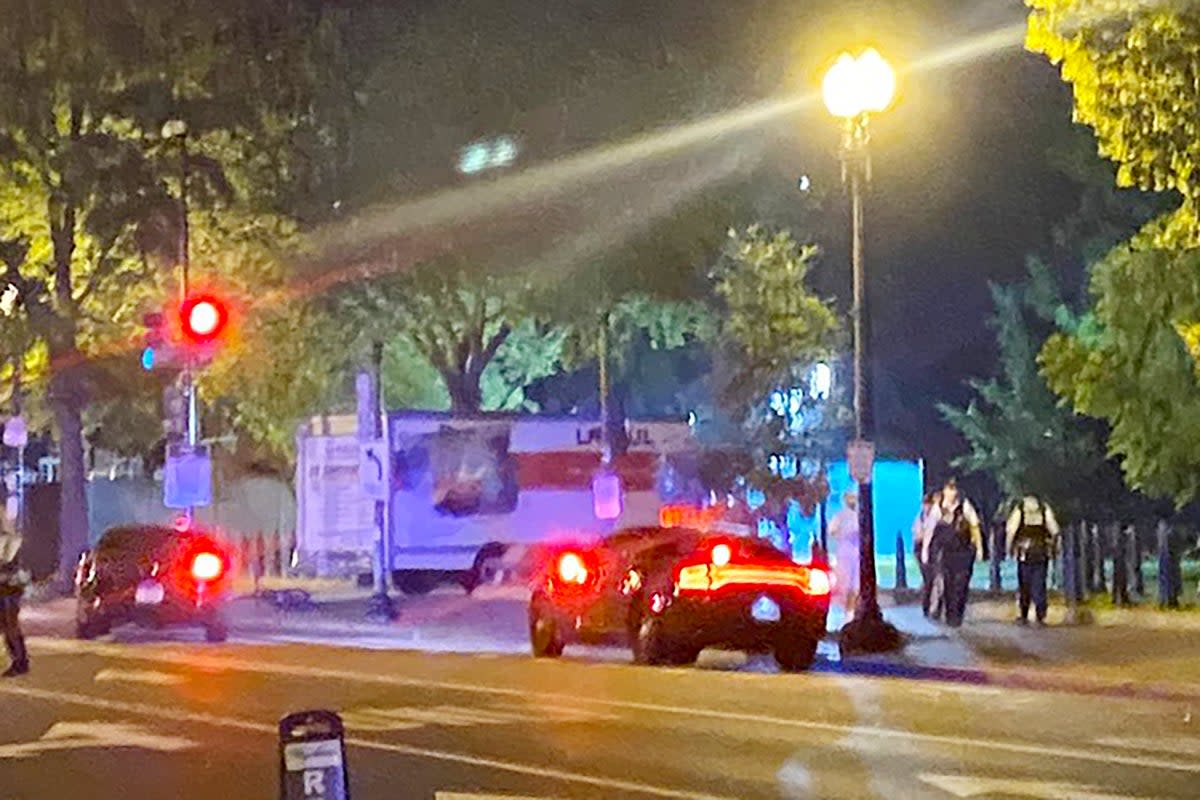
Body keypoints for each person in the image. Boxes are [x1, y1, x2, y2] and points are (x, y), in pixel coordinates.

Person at [923, 477, 983, 628]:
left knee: (961, 584)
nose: (952, 493)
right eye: (949, 489)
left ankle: (958, 614)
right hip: (945, 552)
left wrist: (979, 547)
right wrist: (926, 549)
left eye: (954, 489)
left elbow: (974, 526)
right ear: (944, 491)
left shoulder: (964, 506)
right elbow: (929, 530)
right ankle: (951, 615)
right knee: (948, 583)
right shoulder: (938, 508)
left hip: (963, 551)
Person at [1006, 494, 1060, 626]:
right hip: (1041, 551)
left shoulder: (1020, 508)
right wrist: (1055, 548)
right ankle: (1040, 614)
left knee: (1024, 583)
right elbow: (1055, 530)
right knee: (1039, 582)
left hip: (1024, 552)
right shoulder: (1044, 508)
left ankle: (1024, 613)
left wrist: (1009, 548)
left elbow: (1011, 530)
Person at [0, 527, 29, 677]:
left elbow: (8, 564)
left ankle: (20, 662)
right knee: (7, 626)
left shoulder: (11, 542)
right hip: (6, 588)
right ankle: (19, 661)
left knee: (10, 626)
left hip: (9, 588)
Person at [829, 490, 860, 620]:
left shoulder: (860, 515)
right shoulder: (840, 516)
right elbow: (831, 530)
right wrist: (842, 536)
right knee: (846, 583)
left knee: (856, 583)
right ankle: (847, 612)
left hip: (857, 552)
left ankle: (852, 612)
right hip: (846, 551)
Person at [912, 493, 942, 619]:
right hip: (922, 550)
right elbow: (917, 535)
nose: (926, 507)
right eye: (925, 504)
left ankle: (934, 608)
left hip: (933, 549)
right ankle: (927, 608)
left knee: (936, 580)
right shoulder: (920, 518)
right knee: (928, 580)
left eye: (928, 504)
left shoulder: (935, 515)